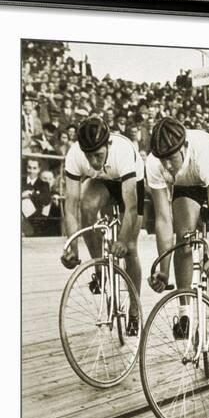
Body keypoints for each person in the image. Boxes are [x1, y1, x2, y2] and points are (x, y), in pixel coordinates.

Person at [146, 117, 209, 360]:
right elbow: (164, 221)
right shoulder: (154, 163)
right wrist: (163, 271)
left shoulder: (203, 154)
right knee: (183, 237)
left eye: (171, 159)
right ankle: (185, 312)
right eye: (162, 160)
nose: (167, 166)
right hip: (187, 183)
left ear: (184, 147)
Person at [60, 116, 145, 336]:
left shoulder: (123, 151)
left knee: (130, 249)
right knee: (86, 207)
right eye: (89, 156)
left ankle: (134, 309)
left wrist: (122, 240)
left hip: (129, 183)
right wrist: (72, 246)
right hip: (103, 181)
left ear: (108, 145)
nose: (94, 162)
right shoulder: (74, 154)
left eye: (98, 155)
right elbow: (70, 205)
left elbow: (132, 207)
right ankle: (99, 268)